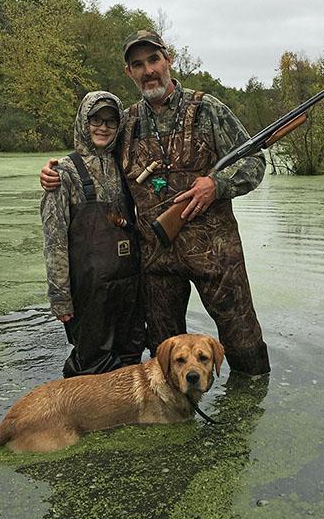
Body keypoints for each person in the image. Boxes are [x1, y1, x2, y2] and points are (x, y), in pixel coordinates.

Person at [41, 30, 270, 376]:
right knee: (166, 361)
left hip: (218, 258)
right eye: (138, 64)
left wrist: (216, 184)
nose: (148, 70)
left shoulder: (207, 109)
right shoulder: (126, 123)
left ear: (168, 60)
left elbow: (255, 162)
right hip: (157, 261)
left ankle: (250, 417)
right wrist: (54, 171)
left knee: (245, 349)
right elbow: (94, 152)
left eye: (153, 60)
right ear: (129, 72)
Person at [41, 90, 144, 377]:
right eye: (95, 119)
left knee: (130, 362)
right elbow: (54, 241)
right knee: (90, 368)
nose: (103, 127)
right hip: (89, 290)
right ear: (83, 123)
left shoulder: (126, 167)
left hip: (128, 288)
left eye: (111, 121)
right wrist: (60, 296)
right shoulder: (63, 172)